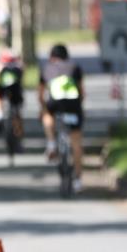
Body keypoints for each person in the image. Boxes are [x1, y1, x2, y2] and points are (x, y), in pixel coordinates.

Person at [38, 43, 85, 193]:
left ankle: (51, 142)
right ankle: (77, 179)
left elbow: (40, 94)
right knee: (76, 143)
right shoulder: (75, 68)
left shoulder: (47, 68)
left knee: (47, 115)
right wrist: (79, 107)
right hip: (73, 105)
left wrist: (43, 108)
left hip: (55, 104)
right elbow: (82, 92)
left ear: (52, 57)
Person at [0, 48, 24, 138]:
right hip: (16, 90)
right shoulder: (19, 65)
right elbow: (22, 79)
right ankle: (19, 132)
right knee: (17, 109)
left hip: (3, 88)